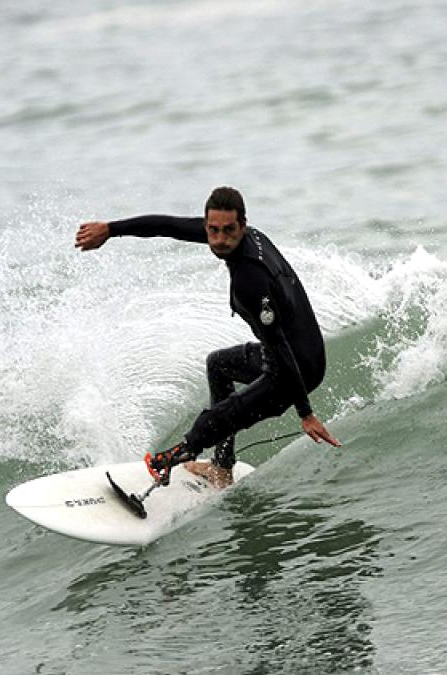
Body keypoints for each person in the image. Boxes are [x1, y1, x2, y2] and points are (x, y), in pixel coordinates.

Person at [76, 186, 341, 487]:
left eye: (228, 231)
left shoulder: (249, 280)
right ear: (206, 225)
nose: (219, 239)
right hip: (292, 350)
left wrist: (305, 413)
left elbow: (281, 347)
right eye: (212, 230)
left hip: (297, 366)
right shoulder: (239, 238)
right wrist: (111, 230)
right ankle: (222, 467)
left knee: (213, 422)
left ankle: (162, 468)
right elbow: (167, 226)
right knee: (219, 364)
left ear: (242, 225)